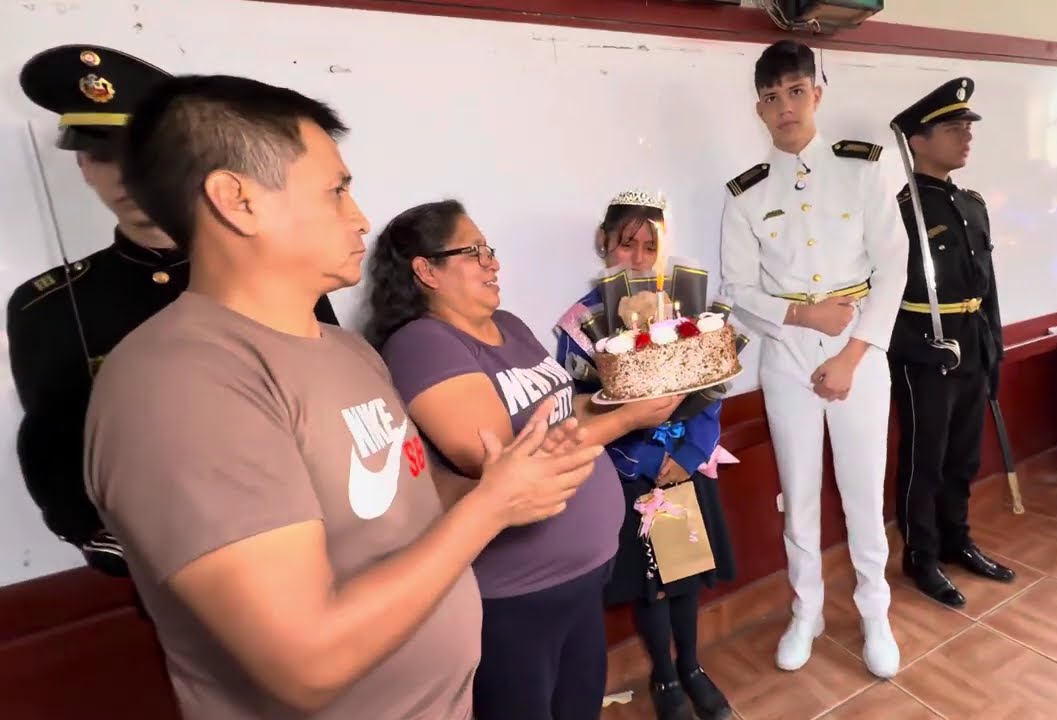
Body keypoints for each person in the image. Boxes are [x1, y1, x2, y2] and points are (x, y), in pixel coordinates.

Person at [84, 73, 604, 720]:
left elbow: (412, 494)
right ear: (237, 201)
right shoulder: (179, 385)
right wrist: (492, 508)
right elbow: (308, 663)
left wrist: (504, 483)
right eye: (336, 191)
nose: (359, 218)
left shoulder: (347, 351)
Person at [8, 45, 338, 579]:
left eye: (143, 155)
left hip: (315, 531)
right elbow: (56, 447)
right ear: (82, 166)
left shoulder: (278, 267)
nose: (125, 175)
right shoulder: (46, 305)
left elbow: (331, 399)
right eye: (103, 156)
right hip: (171, 563)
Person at [364, 199, 683, 720]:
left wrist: (623, 398)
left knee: (579, 707)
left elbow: (565, 409)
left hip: (584, 575)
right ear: (426, 271)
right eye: (473, 252)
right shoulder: (421, 345)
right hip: (518, 592)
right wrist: (626, 421)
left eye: (489, 249)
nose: (493, 262)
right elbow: (505, 462)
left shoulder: (509, 325)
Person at [718, 39, 908, 678]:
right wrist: (803, 317)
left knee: (862, 491)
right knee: (797, 494)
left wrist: (851, 356)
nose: (785, 107)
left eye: (796, 92)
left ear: (817, 95)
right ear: (759, 109)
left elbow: (894, 269)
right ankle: (808, 611)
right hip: (786, 355)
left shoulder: (862, 169)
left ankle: (875, 612)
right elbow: (737, 290)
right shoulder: (745, 194)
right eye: (772, 97)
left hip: (860, 353)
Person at [553, 189, 736, 720]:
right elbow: (582, 404)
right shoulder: (582, 323)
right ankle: (665, 675)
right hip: (629, 472)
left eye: (649, 246)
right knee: (651, 584)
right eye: (625, 243)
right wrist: (645, 462)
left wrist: (691, 450)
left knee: (683, 575)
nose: (637, 257)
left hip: (684, 465)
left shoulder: (683, 310)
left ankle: (693, 667)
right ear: (603, 242)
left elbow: (710, 385)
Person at [887, 78, 1015, 608]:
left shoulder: (972, 204)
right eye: (953, 128)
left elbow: (987, 286)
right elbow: (880, 294)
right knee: (926, 460)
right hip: (926, 350)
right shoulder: (900, 210)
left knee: (964, 456)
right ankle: (921, 555)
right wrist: (917, 350)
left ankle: (956, 540)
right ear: (917, 140)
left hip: (972, 344)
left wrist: (995, 349)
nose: (966, 136)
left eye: (967, 127)